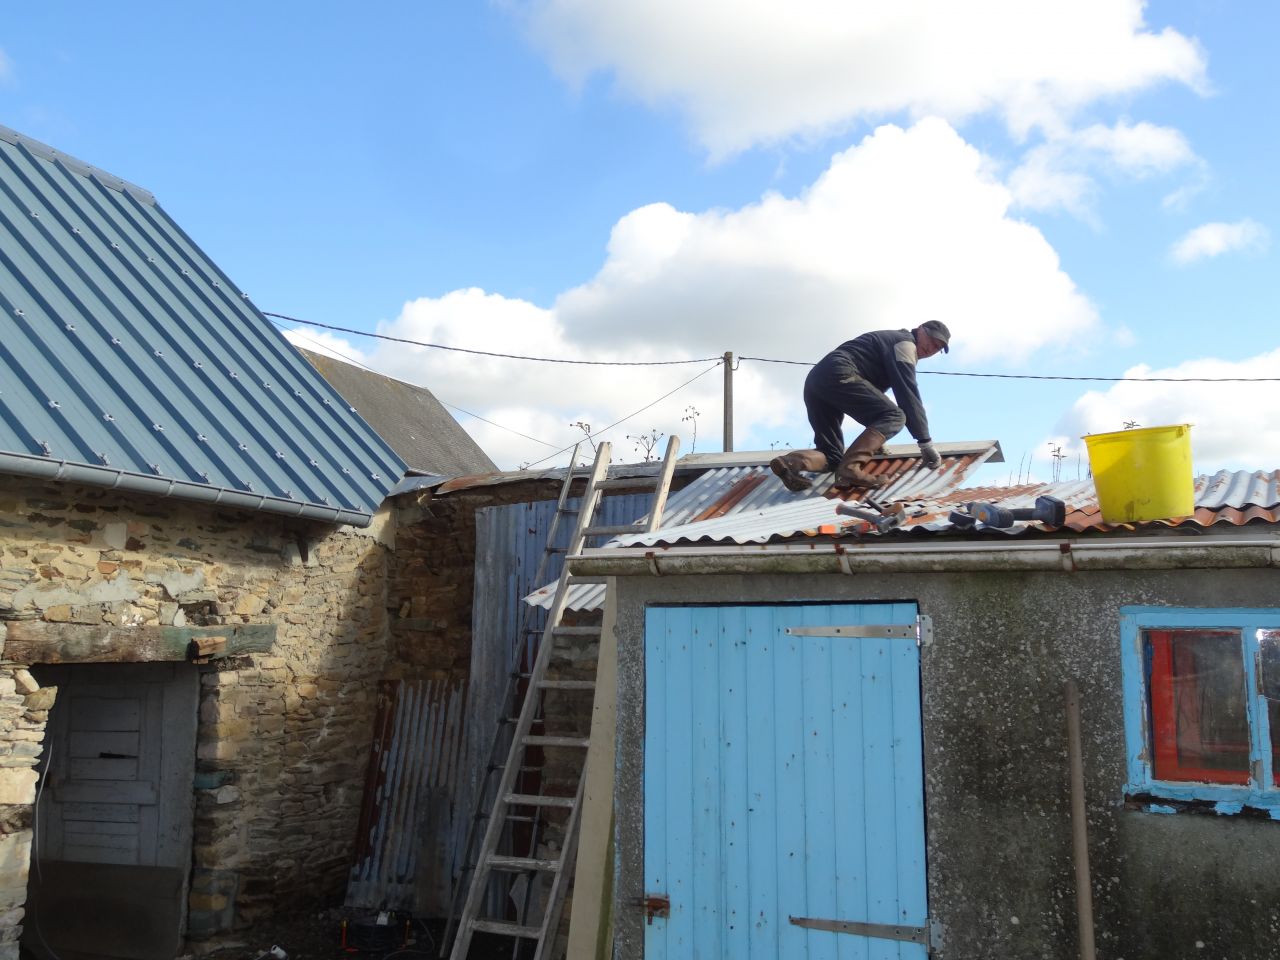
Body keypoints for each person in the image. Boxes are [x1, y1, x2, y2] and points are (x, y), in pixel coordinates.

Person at [769, 320, 951, 492]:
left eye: (938, 348)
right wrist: (925, 443)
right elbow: (908, 396)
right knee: (896, 416)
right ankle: (850, 469)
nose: (932, 348)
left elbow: (870, 400)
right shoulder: (905, 345)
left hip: (817, 380)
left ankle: (790, 463)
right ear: (919, 329)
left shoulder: (892, 344)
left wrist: (878, 441)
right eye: (931, 341)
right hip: (840, 372)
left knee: (831, 456)